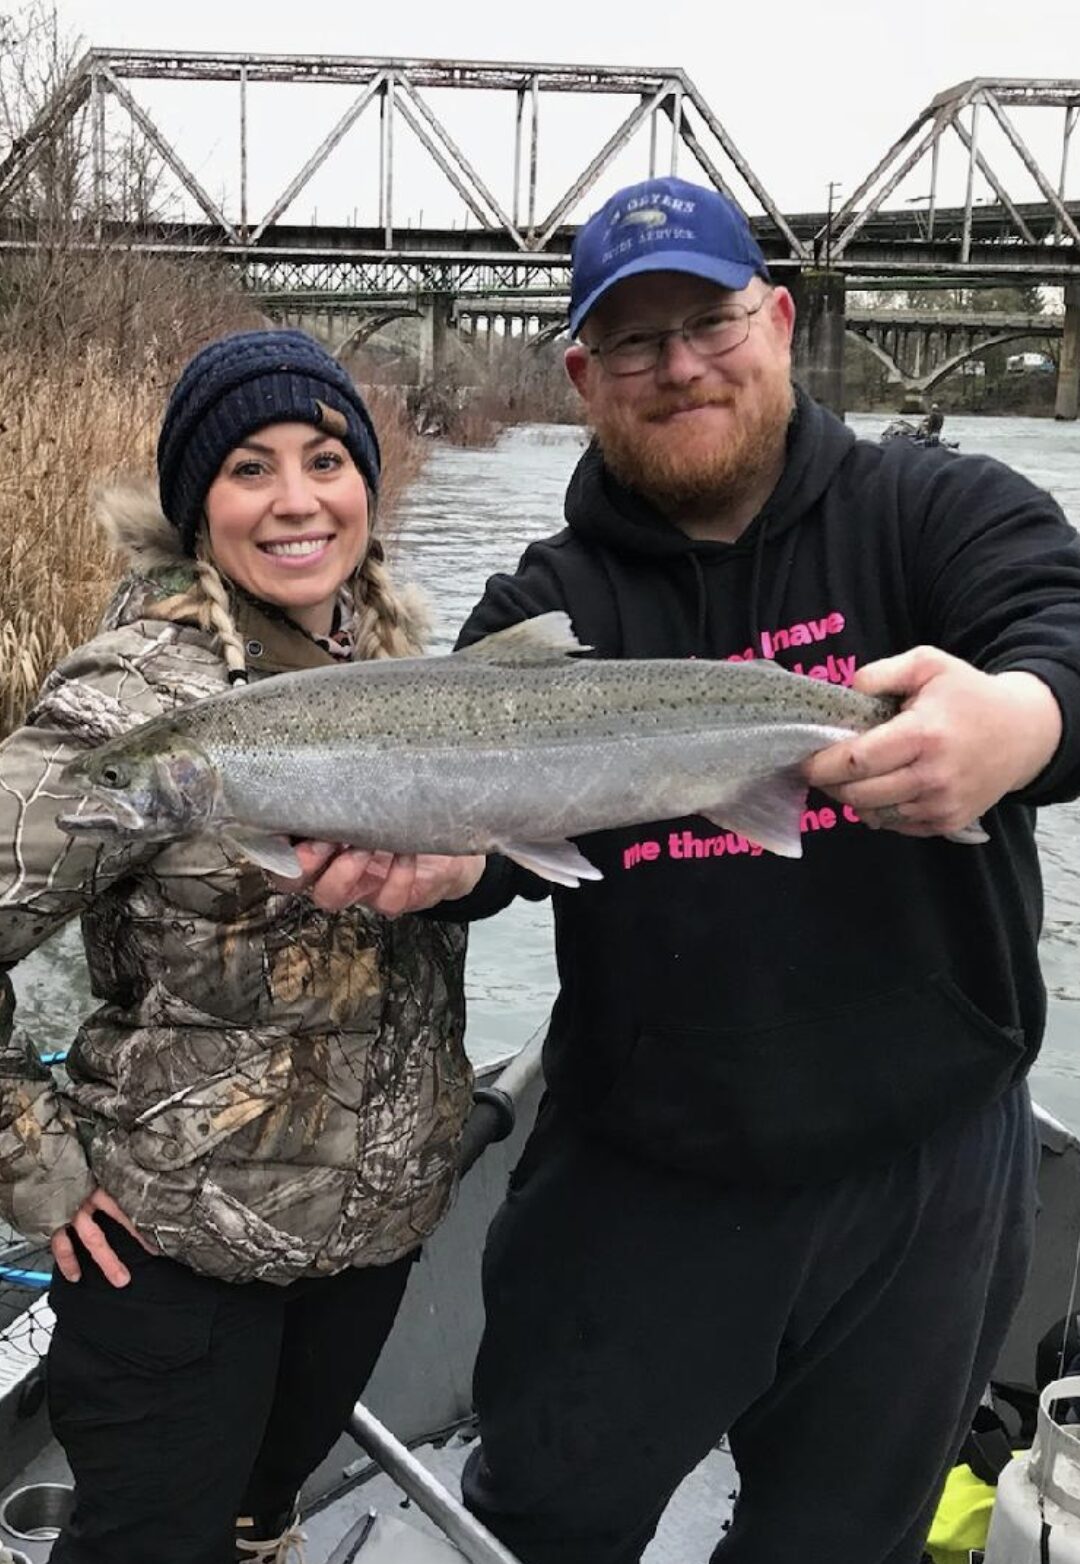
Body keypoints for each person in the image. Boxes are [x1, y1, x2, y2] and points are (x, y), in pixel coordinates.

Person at [301, 175, 1080, 1563]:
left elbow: (1059, 626)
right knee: (551, 1519)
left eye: (711, 322)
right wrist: (443, 877)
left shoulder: (931, 510)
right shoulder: (541, 612)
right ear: (584, 377)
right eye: (638, 345)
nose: (682, 368)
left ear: (779, 321)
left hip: (927, 1174)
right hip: (644, 1174)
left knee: (840, 1542)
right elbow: (502, 855)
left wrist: (1024, 721)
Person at [0, 328, 479, 1564]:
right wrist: (31, 1154)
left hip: (368, 1246)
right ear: (195, 504)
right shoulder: (130, 701)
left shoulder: (396, 673)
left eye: (325, 458)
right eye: (248, 469)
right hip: (175, 1261)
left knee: (264, 1524)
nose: (296, 500)